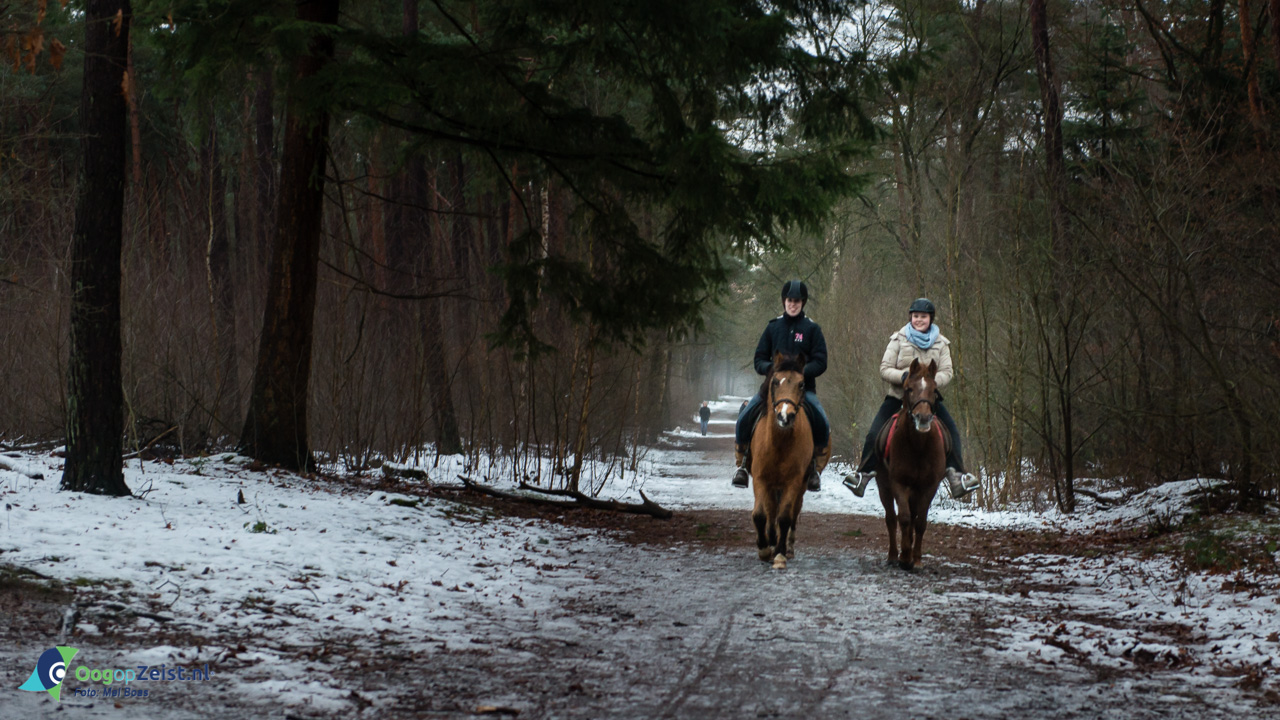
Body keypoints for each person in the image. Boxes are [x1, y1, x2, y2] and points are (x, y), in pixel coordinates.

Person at [843, 298, 980, 499]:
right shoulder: (898, 339)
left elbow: (947, 371)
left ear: (930, 318)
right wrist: (904, 378)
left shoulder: (941, 343)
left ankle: (957, 476)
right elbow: (884, 368)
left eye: (923, 316)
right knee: (874, 433)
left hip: (927, 399)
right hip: (898, 396)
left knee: (951, 431)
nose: (919, 320)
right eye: (916, 316)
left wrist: (930, 383)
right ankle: (863, 474)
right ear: (910, 317)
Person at [731, 280, 831, 492]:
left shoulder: (812, 329)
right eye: (789, 300)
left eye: (796, 301)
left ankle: (814, 469)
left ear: (802, 303)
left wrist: (799, 374)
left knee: (822, 422)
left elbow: (821, 361)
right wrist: (776, 372)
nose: (792, 304)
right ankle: (741, 465)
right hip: (772, 391)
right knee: (744, 417)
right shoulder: (773, 327)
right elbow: (758, 359)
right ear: (784, 301)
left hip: (803, 391)